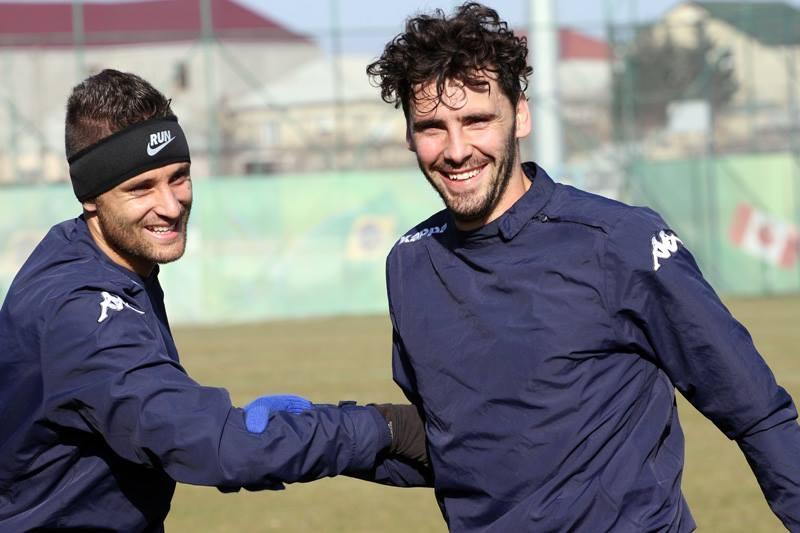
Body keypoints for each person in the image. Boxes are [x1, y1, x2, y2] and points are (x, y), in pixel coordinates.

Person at [364, 3, 800, 531]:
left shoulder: (621, 242)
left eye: (476, 120)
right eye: (433, 127)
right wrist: (314, 439)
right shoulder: (411, 264)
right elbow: (454, 445)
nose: (457, 150)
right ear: (410, 135)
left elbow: (757, 412)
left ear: (520, 115)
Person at [0, 69, 426, 531]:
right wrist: (382, 428)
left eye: (178, 177)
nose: (170, 205)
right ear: (90, 196)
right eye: (140, 188)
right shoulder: (82, 309)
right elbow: (211, 445)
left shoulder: (90, 259)